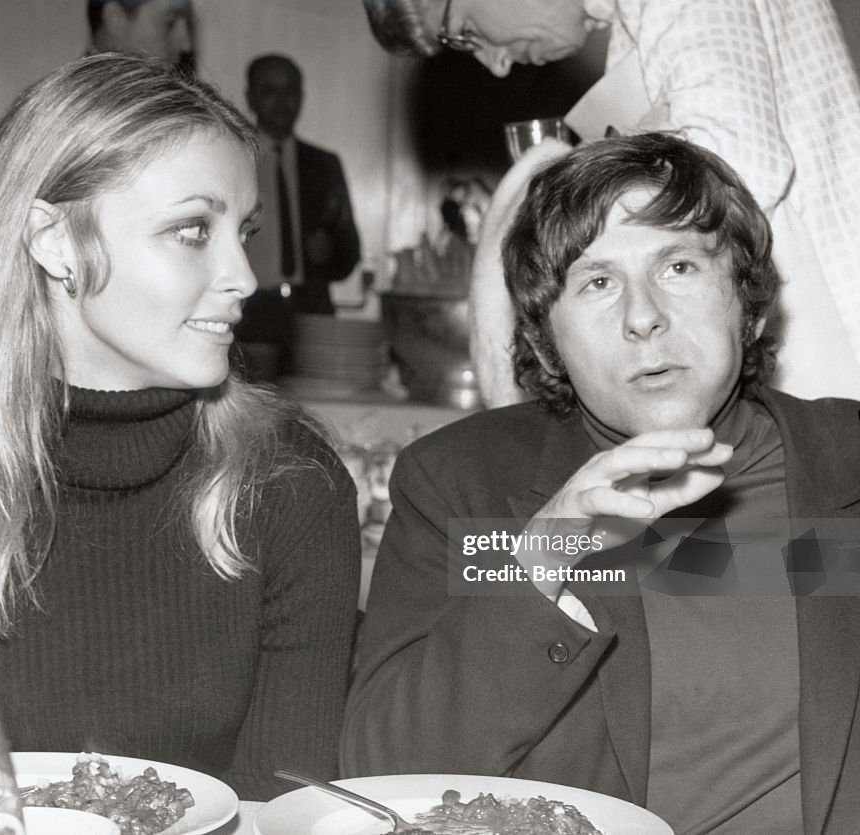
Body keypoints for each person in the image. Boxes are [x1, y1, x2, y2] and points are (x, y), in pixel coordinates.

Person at [0, 53, 361, 802]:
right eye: (192, 230)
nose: (243, 275)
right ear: (55, 242)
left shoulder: (287, 485)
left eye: (242, 231)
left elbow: (282, 806)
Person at [341, 133, 860, 833]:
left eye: (677, 265)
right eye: (597, 281)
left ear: (748, 302)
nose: (643, 316)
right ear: (547, 341)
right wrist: (540, 560)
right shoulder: (465, 486)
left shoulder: (847, 463)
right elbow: (380, 774)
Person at [362, 0, 860, 405]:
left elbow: (740, 162)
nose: (495, 66)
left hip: (828, 326)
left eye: (466, 32)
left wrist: (566, 192)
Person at [236, 53, 361, 378]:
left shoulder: (323, 165)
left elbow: (350, 254)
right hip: (247, 315)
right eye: (269, 90)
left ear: (302, 97)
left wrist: (330, 251)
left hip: (310, 314)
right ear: (250, 98)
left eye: (290, 90)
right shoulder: (234, 161)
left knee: (313, 415)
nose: (282, 101)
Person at [87, 0, 195, 71]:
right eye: (170, 24)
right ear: (115, 19)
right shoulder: (79, 101)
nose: (186, 46)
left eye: (189, 25)